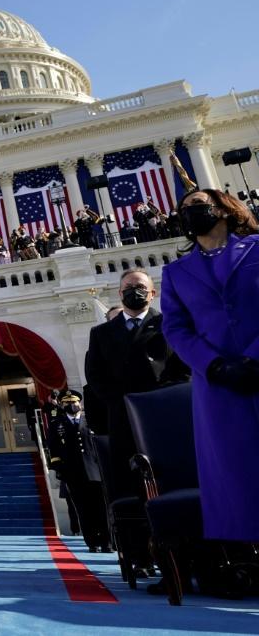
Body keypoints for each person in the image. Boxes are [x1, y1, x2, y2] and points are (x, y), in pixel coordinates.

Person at [161, 188, 259, 541]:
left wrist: (254, 358)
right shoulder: (175, 273)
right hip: (218, 384)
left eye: (197, 205)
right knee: (236, 470)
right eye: (183, 209)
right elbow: (175, 328)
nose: (189, 212)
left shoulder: (257, 248)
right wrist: (214, 365)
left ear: (222, 209)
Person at [84, 268, 188, 499]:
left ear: (153, 293)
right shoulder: (101, 332)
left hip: (163, 413)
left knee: (171, 477)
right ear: (120, 293)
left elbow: (183, 368)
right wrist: (120, 400)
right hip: (123, 416)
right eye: (129, 287)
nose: (135, 291)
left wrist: (162, 397)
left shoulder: (168, 324)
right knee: (130, 484)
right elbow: (95, 375)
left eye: (140, 287)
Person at [47, 390, 110, 552]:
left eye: (75, 402)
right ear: (62, 404)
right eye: (68, 403)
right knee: (83, 509)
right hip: (73, 473)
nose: (72, 406)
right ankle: (92, 542)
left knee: (101, 507)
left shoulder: (91, 420)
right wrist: (59, 469)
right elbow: (53, 448)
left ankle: (106, 541)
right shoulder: (56, 424)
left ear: (80, 403)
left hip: (95, 471)